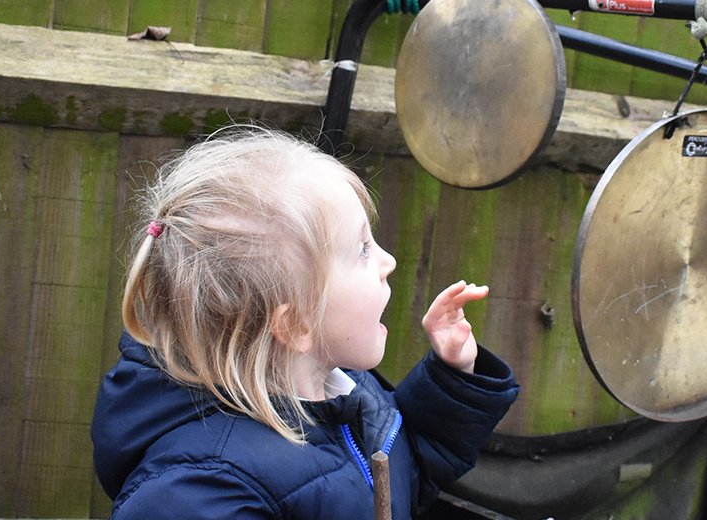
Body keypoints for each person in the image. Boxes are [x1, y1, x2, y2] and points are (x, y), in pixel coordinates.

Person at [91, 126, 520, 520]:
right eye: (362, 250)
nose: (388, 261)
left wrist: (452, 379)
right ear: (295, 324)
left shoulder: (340, 392)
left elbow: (404, 474)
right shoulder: (202, 491)